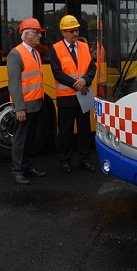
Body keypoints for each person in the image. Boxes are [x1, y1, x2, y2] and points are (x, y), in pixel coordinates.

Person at [49, 15, 97, 173]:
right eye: (71, 31)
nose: (75, 33)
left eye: (76, 30)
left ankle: (85, 159)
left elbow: (92, 68)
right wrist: (76, 84)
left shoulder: (83, 46)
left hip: (83, 94)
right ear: (63, 32)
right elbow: (57, 72)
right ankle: (64, 160)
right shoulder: (55, 48)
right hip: (67, 97)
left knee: (84, 129)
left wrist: (85, 80)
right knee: (65, 130)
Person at [7, 18, 48, 184]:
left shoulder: (36, 53)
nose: (39, 36)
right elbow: (14, 83)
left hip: (36, 104)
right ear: (26, 35)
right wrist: (19, 108)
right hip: (24, 107)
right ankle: (17, 171)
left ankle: (28, 167)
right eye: (36, 33)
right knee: (20, 140)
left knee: (30, 139)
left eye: (39, 33)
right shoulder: (16, 54)